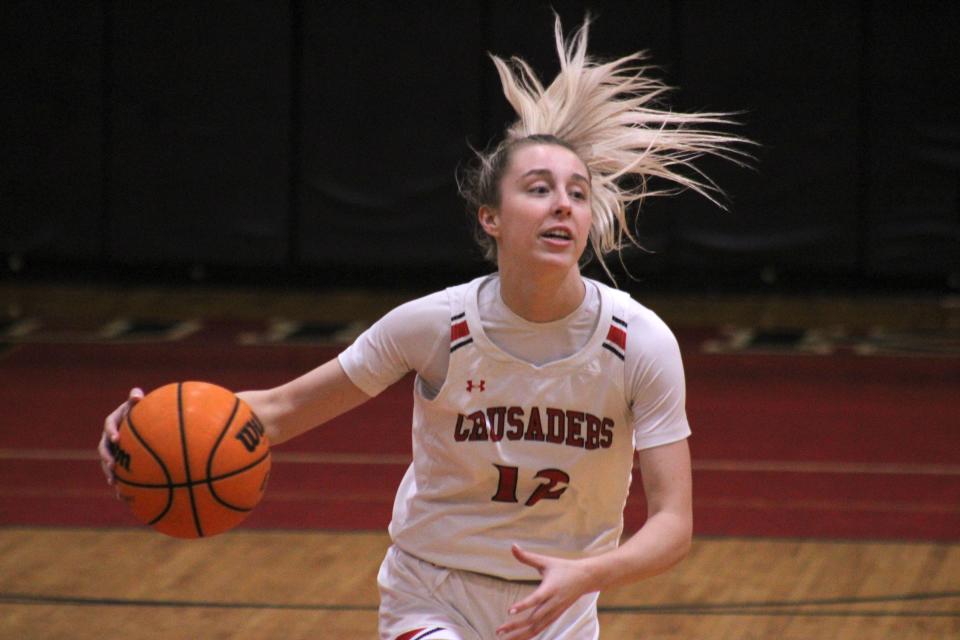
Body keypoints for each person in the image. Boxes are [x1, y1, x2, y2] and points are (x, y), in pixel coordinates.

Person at [99, 16, 747, 640]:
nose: (562, 204)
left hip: (561, 610)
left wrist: (588, 573)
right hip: (431, 594)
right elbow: (275, 411)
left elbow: (673, 524)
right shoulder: (434, 326)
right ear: (490, 218)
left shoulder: (640, 343)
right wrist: (147, 429)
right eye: (539, 188)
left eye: (577, 192)